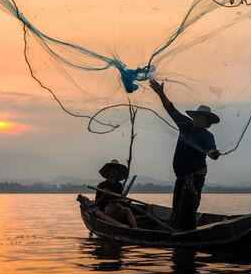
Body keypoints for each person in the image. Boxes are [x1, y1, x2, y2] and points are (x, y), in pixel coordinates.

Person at [149, 79, 221, 231]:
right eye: (196, 116)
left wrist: (213, 154)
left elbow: (211, 151)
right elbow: (170, 109)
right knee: (176, 210)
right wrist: (161, 93)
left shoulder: (207, 137)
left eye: (200, 117)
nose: (196, 119)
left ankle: (187, 235)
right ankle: (179, 234)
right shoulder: (185, 124)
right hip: (181, 178)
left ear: (207, 122)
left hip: (194, 179)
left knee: (188, 209)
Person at [91, 159, 137, 228]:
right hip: (106, 212)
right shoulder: (101, 185)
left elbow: (120, 201)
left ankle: (135, 229)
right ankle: (120, 225)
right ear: (109, 171)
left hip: (117, 211)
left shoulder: (119, 185)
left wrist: (126, 202)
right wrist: (104, 195)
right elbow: (97, 203)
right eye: (112, 170)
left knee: (127, 210)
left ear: (117, 172)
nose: (113, 172)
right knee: (98, 213)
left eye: (115, 170)